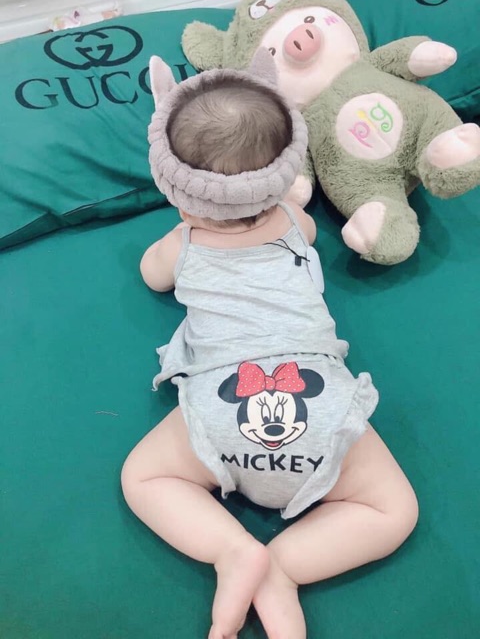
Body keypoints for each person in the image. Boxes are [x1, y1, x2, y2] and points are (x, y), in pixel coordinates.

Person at [121, 54, 418, 639]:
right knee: (393, 510)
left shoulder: (183, 243)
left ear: (176, 189)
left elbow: (151, 276)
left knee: (145, 478)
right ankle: (285, 567)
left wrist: (180, 232)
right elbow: (304, 230)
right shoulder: (293, 223)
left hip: (223, 403)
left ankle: (233, 551)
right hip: (319, 400)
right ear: (282, 176)